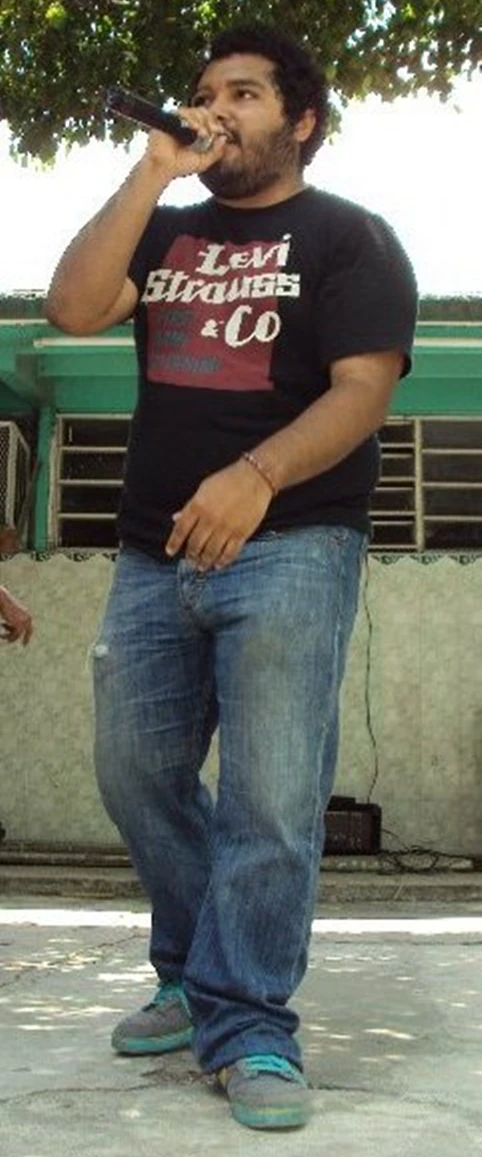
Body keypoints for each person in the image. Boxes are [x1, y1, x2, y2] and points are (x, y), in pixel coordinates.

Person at [45, 23, 417, 1131]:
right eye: (206, 91)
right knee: (134, 771)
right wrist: (150, 171)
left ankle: (249, 1018)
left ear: (301, 121)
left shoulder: (351, 237)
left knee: (271, 797)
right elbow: (72, 308)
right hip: (152, 551)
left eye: (244, 93)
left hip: (293, 540)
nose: (216, 108)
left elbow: (361, 391)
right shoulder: (162, 232)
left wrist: (255, 476)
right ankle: (190, 968)